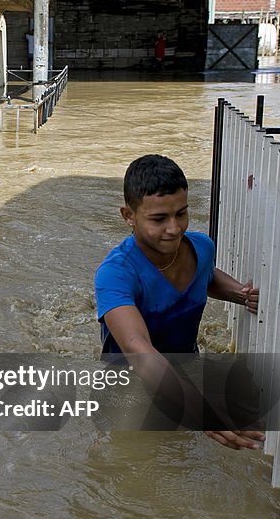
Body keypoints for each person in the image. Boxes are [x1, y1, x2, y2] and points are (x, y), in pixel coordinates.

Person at [94, 154, 263, 450]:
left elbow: (206, 276)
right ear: (128, 215)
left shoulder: (201, 247)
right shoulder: (115, 274)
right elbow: (139, 349)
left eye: (181, 214)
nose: (174, 229)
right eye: (159, 219)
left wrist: (238, 292)